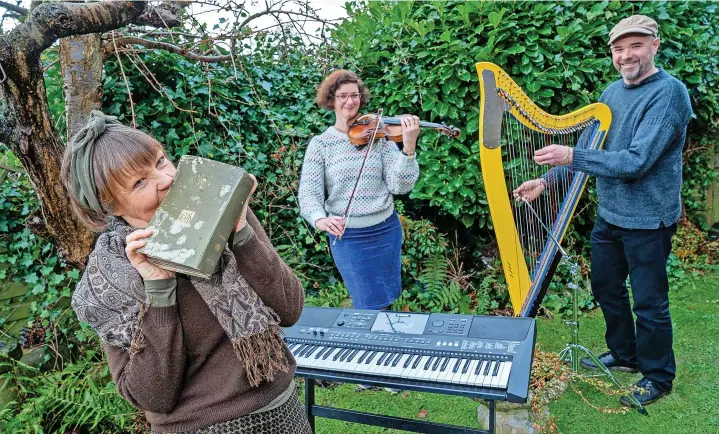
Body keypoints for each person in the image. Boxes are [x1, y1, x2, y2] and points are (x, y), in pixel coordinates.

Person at [63, 111, 311, 433]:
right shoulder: (112, 277)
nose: (166, 179)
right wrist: (158, 289)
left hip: (284, 412)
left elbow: (290, 309)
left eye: (161, 161)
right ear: (110, 207)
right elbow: (153, 396)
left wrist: (240, 234)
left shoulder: (222, 210)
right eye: (139, 182)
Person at [514, 15, 691, 407]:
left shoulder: (669, 95)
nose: (626, 55)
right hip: (611, 215)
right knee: (606, 289)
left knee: (649, 302)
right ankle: (625, 355)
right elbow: (590, 148)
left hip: (648, 218)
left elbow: (635, 162)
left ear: (654, 46)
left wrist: (573, 154)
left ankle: (658, 376)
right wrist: (547, 182)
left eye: (636, 46)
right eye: (618, 48)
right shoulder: (612, 93)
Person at [298, 69, 420, 311]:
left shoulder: (378, 136)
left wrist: (408, 148)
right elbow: (308, 193)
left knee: (388, 298)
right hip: (349, 238)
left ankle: (385, 344)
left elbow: (400, 186)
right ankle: (376, 346)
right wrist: (319, 219)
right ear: (331, 99)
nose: (350, 102)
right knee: (368, 305)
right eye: (343, 96)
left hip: (386, 231)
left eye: (354, 95)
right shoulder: (321, 145)